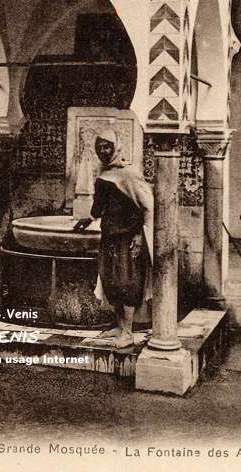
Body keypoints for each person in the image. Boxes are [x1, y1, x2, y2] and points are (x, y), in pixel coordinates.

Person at [74, 127, 153, 349]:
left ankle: (128, 332)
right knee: (110, 282)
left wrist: (139, 235)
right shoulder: (103, 175)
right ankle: (119, 326)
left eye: (107, 146)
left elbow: (146, 206)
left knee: (126, 282)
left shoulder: (129, 173)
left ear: (116, 147)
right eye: (100, 148)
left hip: (128, 237)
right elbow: (98, 208)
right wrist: (86, 219)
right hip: (109, 237)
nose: (103, 151)